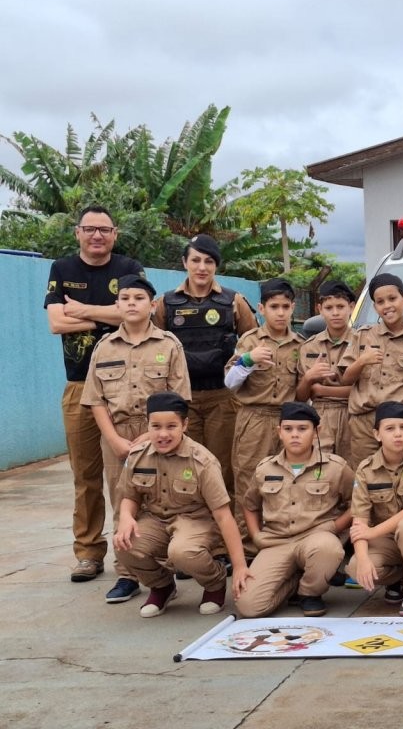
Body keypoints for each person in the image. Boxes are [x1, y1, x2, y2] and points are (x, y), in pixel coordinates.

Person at [44, 205, 144, 584]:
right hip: (79, 385)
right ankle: (88, 552)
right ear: (78, 233)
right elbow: (56, 323)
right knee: (85, 474)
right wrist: (110, 313)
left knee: (136, 472)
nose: (97, 236)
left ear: (114, 234)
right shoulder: (62, 269)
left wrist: (83, 310)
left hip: (127, 388)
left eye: (104, 229)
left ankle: (143, 550)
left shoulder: (129, 268)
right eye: (90, 229)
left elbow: (138, 314)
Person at [80, 274, 191, 602]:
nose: (131, 303)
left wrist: (150, 436)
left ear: (152, 305)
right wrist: (114, 440)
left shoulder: (169, 345)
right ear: (117, 305)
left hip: (161, 434)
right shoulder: (104, 347)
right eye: (125, 298)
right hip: (117, 435)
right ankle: (127, 575)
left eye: (139, 298)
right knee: (122, 501)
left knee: (167, 499)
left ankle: (166, 566)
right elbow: (95, 399)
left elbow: (180, 397)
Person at [113, 392, 252, 618]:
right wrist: (126, 517)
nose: (163, 434)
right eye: (155, 426)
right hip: (156, 520)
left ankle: (214, 584)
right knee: (124, 543)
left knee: (181, 552)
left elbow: (224, 516)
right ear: (147, 426)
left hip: (196, 521)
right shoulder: (138, 456)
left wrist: (239, 565)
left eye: (171, 426)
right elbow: (130, 495)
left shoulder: (202, 461)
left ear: (185, 425)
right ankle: (162, 587)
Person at [154, 234, 258, 508]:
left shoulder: (234, 301)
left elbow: (253, 343)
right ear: (184, 263)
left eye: (208, 261)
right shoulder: (165, 303)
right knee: (185, 467)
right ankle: (192, 530)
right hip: (182, 400)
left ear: (216, 266)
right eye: (196, 260)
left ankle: (225, 540)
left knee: (224, 468)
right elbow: (156, 346)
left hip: (223, 399)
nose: (202, 267)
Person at [235, 402, 354, 618]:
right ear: (279, 432)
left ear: (317, 431)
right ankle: (292, 582)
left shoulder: (336, 467)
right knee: (249, 606)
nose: (295, 435)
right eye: (288, 429)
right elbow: (250, 504)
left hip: (315, 539)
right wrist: (256, 535)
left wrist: (335, 527)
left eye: (302, 429)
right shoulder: (265, 468)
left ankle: (309, 593)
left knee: (329, 549)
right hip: (276, 542)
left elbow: (358, 503)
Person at [224, 278, 303, 556]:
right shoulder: (249, 341)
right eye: (273, 306)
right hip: (253, 419)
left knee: (288, 482)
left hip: (287, 421)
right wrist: (248, 359)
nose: (280, 313)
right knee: (248, 482)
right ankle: (246, 550)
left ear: (293, 308)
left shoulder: (299, 344)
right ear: (261, 308)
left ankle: (283, 545)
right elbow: (230, 383)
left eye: (285, 306)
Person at [346, 402, 403, 616]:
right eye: (390, 429)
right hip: (387, 541)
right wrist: (362, 558)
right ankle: (397, 580)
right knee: (355, 566)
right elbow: (359, 520)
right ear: (377, 434)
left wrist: (372, 532)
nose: (398, 434)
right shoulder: (366, 469)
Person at [338, 273, 403, 471]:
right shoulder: (362, 336)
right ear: (375, 307)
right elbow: (345, 379)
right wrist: (362, 361)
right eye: (380, 302)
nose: (387, 305)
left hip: (398, 422)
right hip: (364, 421)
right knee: (364, 474)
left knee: (400, 474)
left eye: (392, 298)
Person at [296, 279, 357, 458]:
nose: (335, 313)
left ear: (351, 307)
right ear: (319, 309)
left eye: (341, 306)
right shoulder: (309, 347)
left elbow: (365, 390)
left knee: (352, 470)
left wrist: (321, 389)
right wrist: (308, 379)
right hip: (320, 415)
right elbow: (301, 396)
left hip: (353, 414)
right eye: (329, 308)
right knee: (319, 469)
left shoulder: (363, 342)